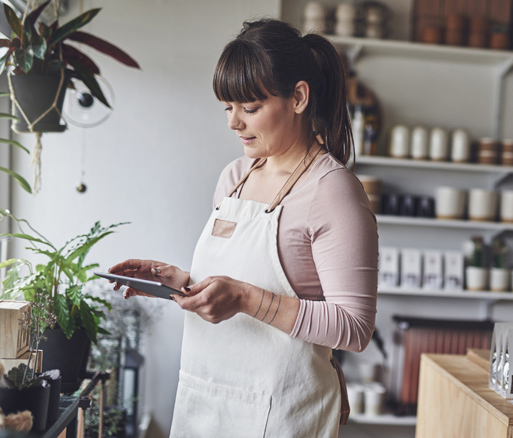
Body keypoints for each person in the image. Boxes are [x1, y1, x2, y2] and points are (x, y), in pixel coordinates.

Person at [108, 19, 378, 437]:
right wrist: (181, 282)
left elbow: (354, 327)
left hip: (281, 414)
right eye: (228, 107)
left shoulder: (332, 191)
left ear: (299, 98)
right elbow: (238, 281)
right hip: (204, 402)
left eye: (249, 109)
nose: (234, 123)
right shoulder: (235, 176)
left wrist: (246, 298)